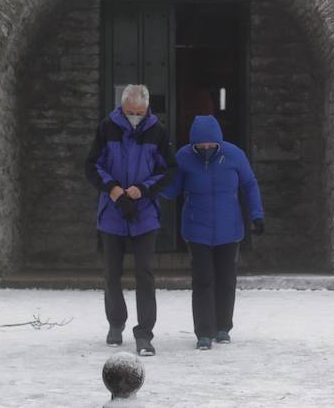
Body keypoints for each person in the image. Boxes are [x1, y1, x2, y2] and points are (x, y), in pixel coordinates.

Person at [84, 84, 175, 357]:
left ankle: (145, 332)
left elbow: (167, 169)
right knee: (112, 272)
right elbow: (92, 165)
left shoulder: (157, 131)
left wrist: (142, 189)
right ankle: (116, 322)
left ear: (147, 109)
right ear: (122, 108)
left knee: (145, 273)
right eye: (130, 112)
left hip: (144, 211)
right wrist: (113, 189)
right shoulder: (106, 128)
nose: (135, 116)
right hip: (112, 211)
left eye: (140, 112)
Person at [162, 114, 264, 350]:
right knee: (203, 280)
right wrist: (160, 174)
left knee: (226, 280)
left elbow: (249, 185)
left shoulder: (235, 155)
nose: (206, 149)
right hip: (197, 229)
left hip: (229, 230)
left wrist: (257, 215)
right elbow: (170, 191)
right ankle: (204, 332)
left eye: (211, 145)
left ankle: (223, 327)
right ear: (193, 144)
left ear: (219, 142)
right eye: (201, 145)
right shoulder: (184, 158)